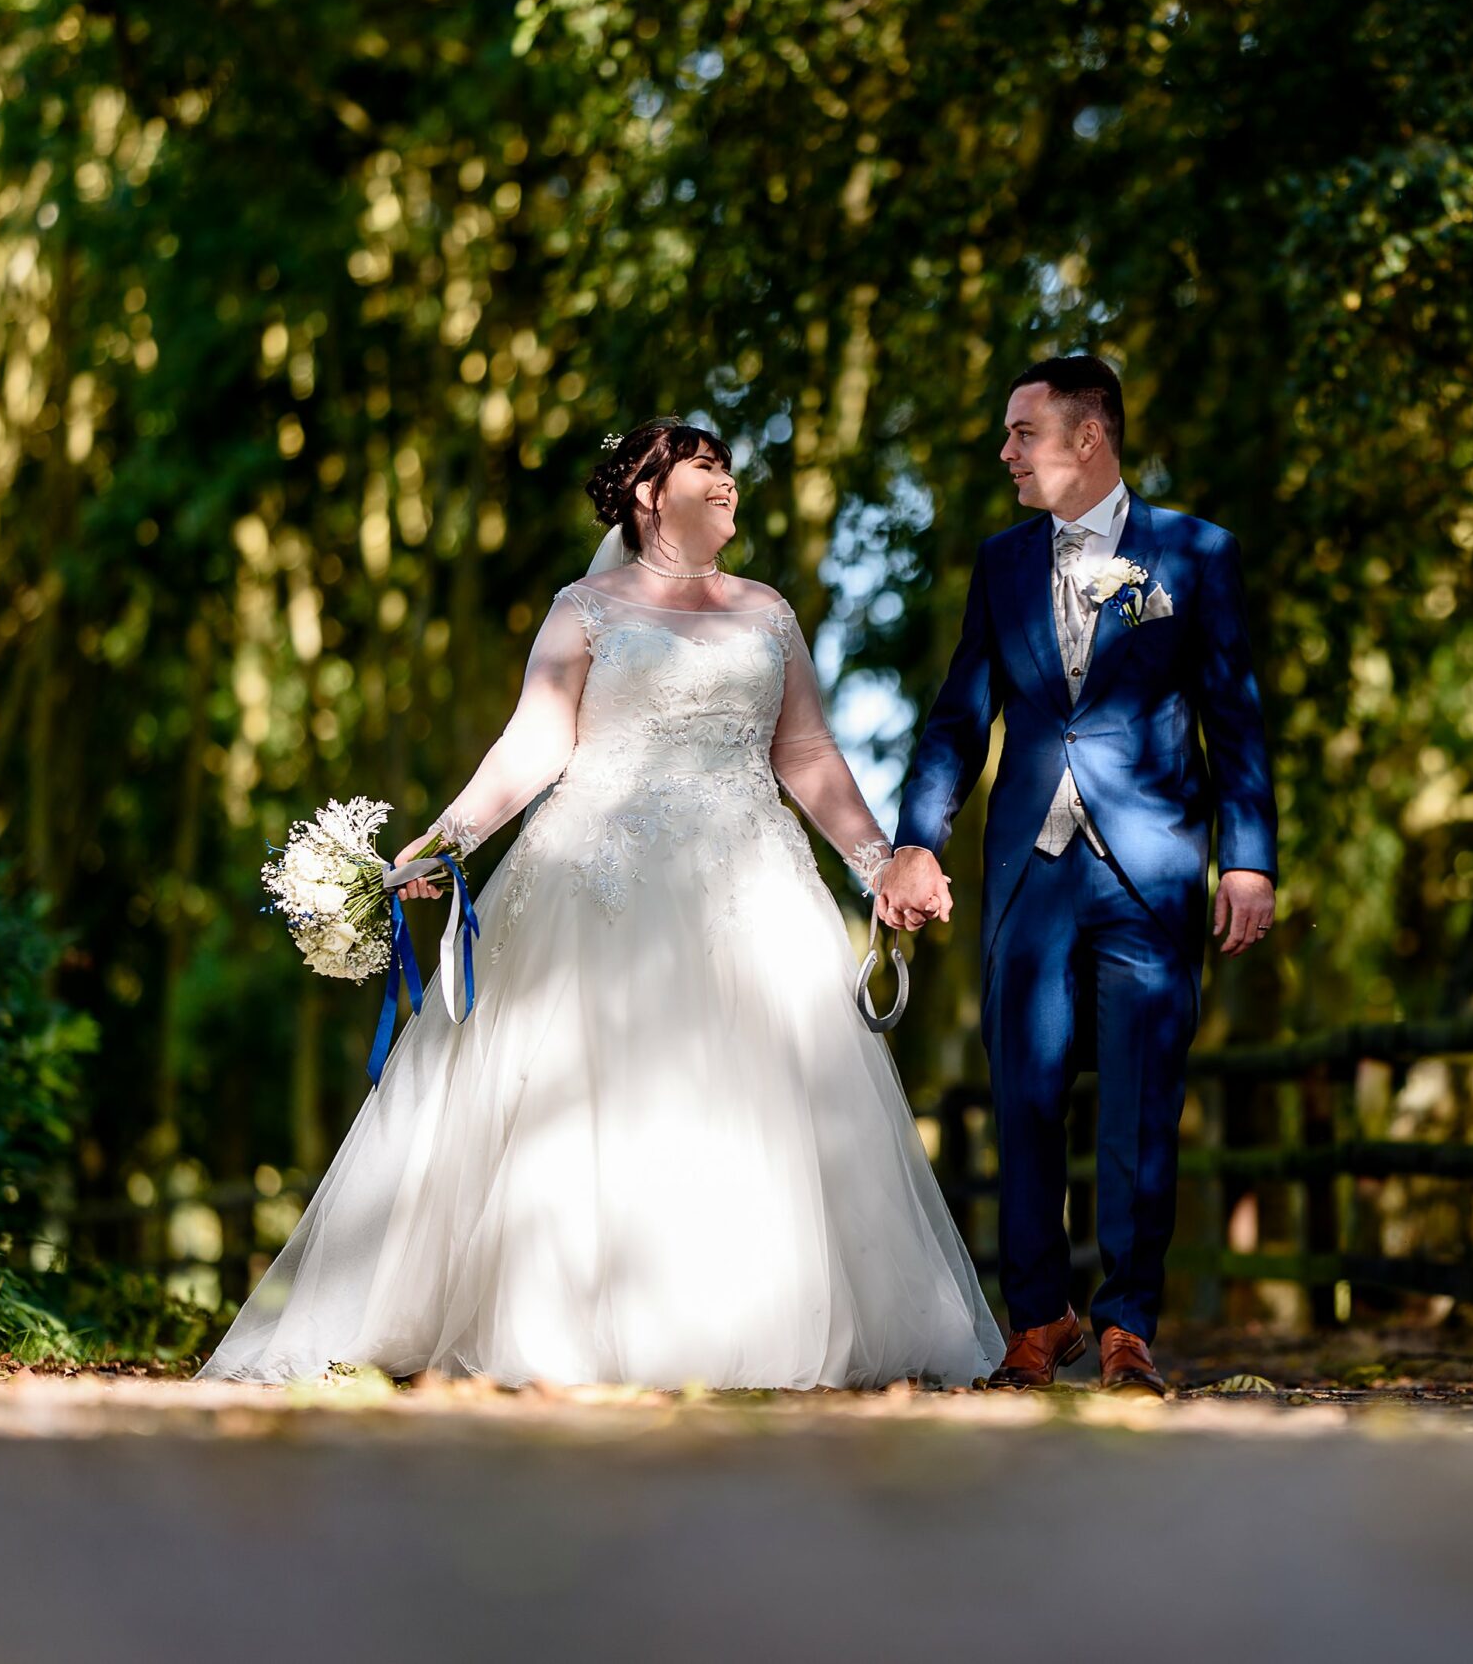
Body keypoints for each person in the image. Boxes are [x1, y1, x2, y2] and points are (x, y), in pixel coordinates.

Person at [197, 418, 1003, 1390]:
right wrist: (448, 840)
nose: (731, 483)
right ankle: (576, 1321)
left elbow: (806, 753)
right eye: (709, 466)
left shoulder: (767, 611)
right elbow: (533, 746)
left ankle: (732, 1319)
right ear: (649, 492)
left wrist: (880, 862)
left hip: (750, 881)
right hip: (598, 879)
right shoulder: (585, 607)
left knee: (759, 1096)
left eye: (731, 469)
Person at [877, 356, 1279, 1395]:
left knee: (1141, 1099)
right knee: (1025, 1092)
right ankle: (1037, 1318)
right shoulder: (1002, 563)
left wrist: (1247, 857)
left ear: (1085, 438)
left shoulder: (1195, 554)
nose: (1004, 452)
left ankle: (1126, 1323)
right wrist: (916, 837)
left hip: (1148, 868)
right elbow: (960, 717)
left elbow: (1233, 718)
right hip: (1029, 871)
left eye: (1022, 432)